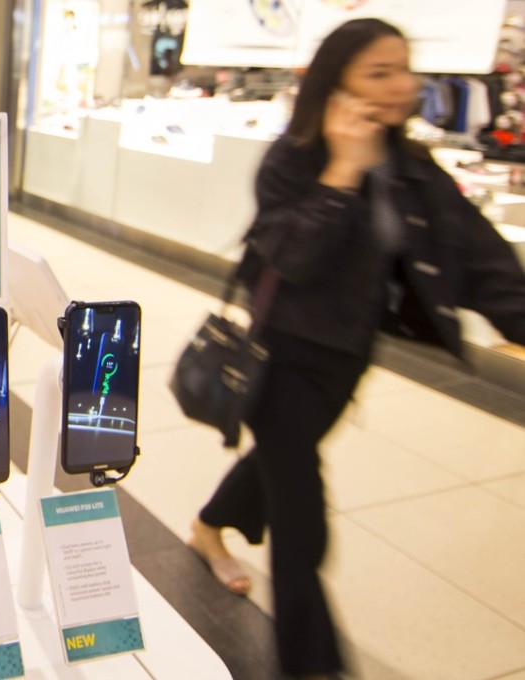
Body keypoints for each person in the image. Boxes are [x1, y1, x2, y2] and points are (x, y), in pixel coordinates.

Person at [187, 18, 525, 680]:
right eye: (380, 72)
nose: (404, 85)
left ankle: (207, 526)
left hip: (345, 358)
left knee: (284, 463)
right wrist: (341, 171)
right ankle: (313, 664)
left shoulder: (410, 163)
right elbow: (289, 256)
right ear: (335, 82)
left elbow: (478, 255)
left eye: (405, 68)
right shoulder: (294, 160)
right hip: (280, 358)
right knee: (302, 518)